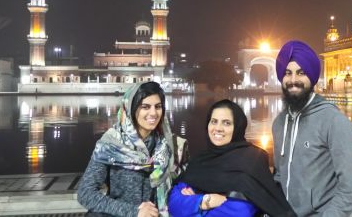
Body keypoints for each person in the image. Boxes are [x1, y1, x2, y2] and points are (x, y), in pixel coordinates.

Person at [273, 40, 352, 217]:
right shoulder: (279, 123)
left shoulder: (333, 121)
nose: (293, 80)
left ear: (312, 77)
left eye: (301, 73)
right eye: (287, 73)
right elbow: (279, 175)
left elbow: (349, 188)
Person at [168, 99, 296, 217]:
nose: (218, 128)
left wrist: (193, 205)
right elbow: (174, 203)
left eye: (227, 123)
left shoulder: (251, 159)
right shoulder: (201, 160)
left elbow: (241, 211)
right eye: (214, 121)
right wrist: (206, 200)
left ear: (237, 127)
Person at [78, 82, 188, 217]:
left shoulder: (170, 145)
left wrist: (185, 189)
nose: (153, 113)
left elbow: (181, 181)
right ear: (130, 108)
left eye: (158, 107)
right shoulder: (111, 145)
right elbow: (85, 193)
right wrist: (134, 211)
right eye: (145, 107)